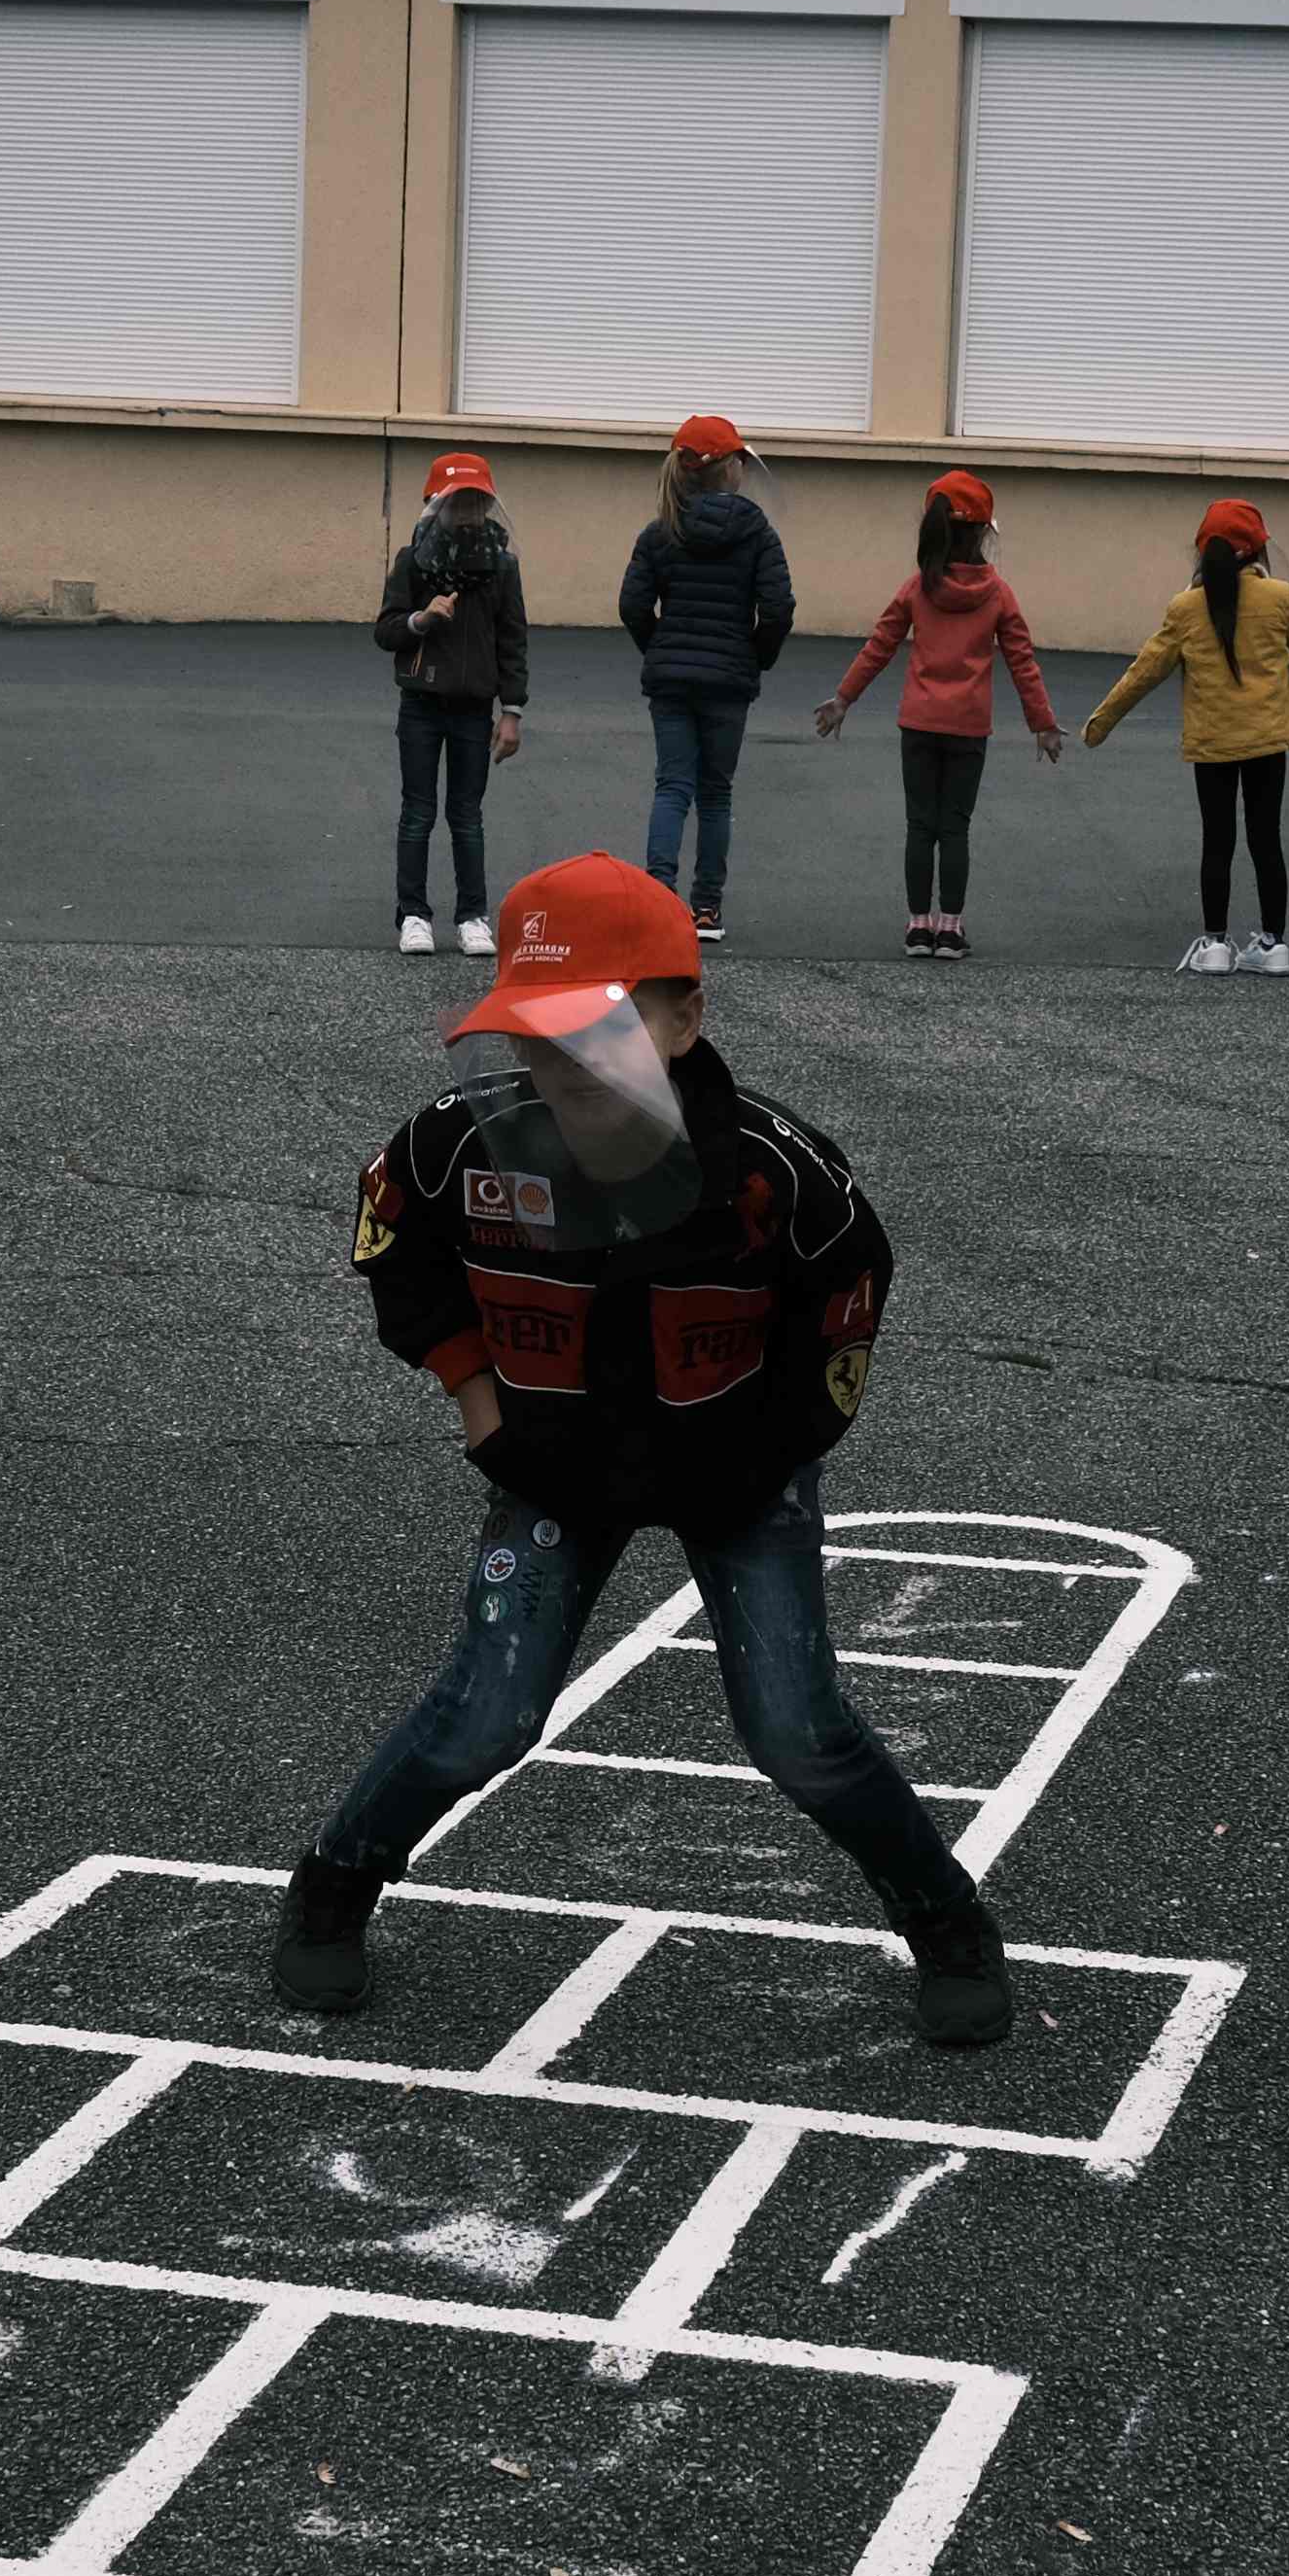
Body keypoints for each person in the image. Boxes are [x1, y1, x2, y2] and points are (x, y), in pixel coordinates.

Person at [278, 852, 1015, 2044]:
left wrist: (756, 1468)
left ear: (682, 1020)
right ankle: (332, 1884)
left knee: (795, 1727)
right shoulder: (457, 1146)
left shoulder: (783, 1177)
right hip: (552, 1457)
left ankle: (947, 1920)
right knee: (487, 1712)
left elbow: (836, 1337)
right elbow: (394, 1248)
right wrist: (478, 1399)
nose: (561, 1066)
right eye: (534, 1036)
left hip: (736, 1464)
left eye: (595, 1033)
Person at [1074, 496, 1289, 976]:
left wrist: (1099, 724)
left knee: (1217, 840)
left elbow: (1145, 670)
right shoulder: (1279, 597)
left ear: (1203, 551)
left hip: (1213, 743)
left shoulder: (1186, 607)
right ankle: (1274, 945)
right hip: (1268, 739)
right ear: (1257, 550)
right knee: (1267, 840)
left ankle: (1216, 944)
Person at [815, 467, 1061, 959]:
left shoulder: (917, 588)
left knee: (920, 825)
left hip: (919, 723)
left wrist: (844, 699)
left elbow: (880, 645)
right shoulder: (998, 593)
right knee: (954, 827)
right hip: (968, 727)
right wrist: (1043, 723)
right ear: (983, 533)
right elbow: (1021, 659)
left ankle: (917, 927)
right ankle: (950, 929)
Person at [617, 413, 794, 944]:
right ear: (731, 469)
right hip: (729, 681)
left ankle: (657, 900)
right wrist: (754, 656)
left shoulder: (659, 532)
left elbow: (632, 605)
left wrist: (661, 648)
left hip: (671, 679)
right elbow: (777, 608)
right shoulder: (757, 532)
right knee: (715, 793)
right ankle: (707, 910)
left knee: (672, 786)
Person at [373, 448, 528, 955]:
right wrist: (421, 619)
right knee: (417, 812)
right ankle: (414, 915)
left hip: (472, 707)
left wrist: (511, 710)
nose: (467, 514)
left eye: (475, 503)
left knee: (467, 815)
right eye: (458, 503)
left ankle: (472, 917)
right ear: (436, 506)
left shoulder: (501, 566)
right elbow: (386, 631)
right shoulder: (413, 561)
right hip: (421, 703)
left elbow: (512, 639)